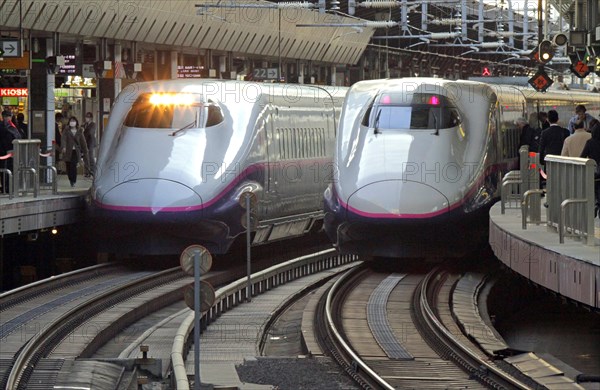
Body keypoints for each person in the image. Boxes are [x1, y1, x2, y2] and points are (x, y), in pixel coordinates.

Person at [60, 116, 89, 188]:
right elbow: (63, 138)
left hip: (76, 151)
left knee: (73, 165)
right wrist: (63, 147)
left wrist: (85, 150)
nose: (72, 122)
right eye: (71, 121)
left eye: (74, 121)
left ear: (76, 122)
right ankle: (70, 179)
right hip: (68, 151)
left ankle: (73, 180)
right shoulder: (66, 130)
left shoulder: (79, 131)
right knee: (68, 166)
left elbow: (83, 141)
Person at [580, 124, 600, 217]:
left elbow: (582, 156)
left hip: (594, 171)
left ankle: (596, 203)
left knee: (595, 189)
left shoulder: (590, 142)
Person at [0, 110, 22, 193]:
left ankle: (6, 187)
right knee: (8, 169)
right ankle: (8, 187)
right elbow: (17, 136)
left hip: (6, 151)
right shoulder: (8, 126)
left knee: (5, 170)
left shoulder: (8, 125)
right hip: (8, 151)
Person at [82, 112, 97, 177]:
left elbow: (91, 132)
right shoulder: (84, 124)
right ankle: (87, 172)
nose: (86, 118)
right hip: (85, 143)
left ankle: (93, 171)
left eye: (88, 117)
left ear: (91, 118)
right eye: (86, 117)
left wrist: (84, 132)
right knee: (85, 158)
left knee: (90, 157)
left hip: (90, 142)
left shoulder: (93, 124)